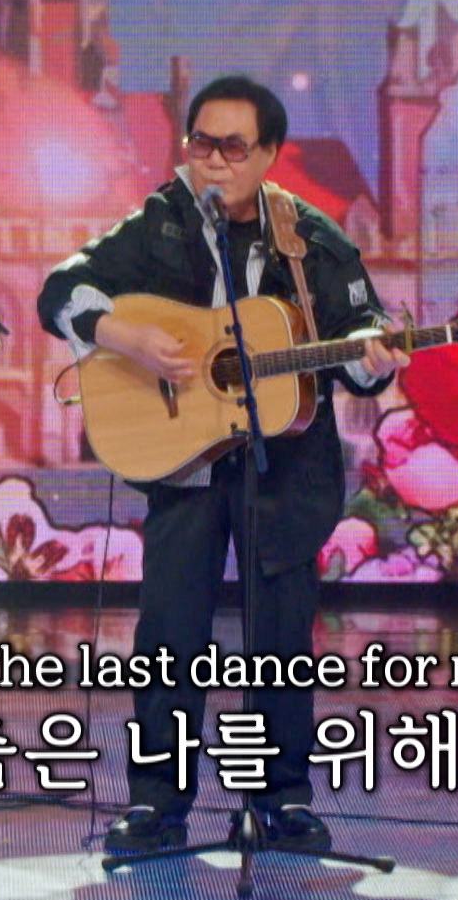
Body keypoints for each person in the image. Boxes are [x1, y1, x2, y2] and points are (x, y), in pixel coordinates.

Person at [37, 75, 407, 852]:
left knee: (280, 640)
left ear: (268, 155)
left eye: (232, 148)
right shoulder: (161, 219)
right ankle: (156, 805)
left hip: (285, 469)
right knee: (169, 635)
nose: (211, 160)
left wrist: (370, 355)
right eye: (200, 142)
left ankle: (280, 801)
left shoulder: (311, 237)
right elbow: (62, 289)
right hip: (185, 462)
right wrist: (123, 335)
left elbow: (360, 336)